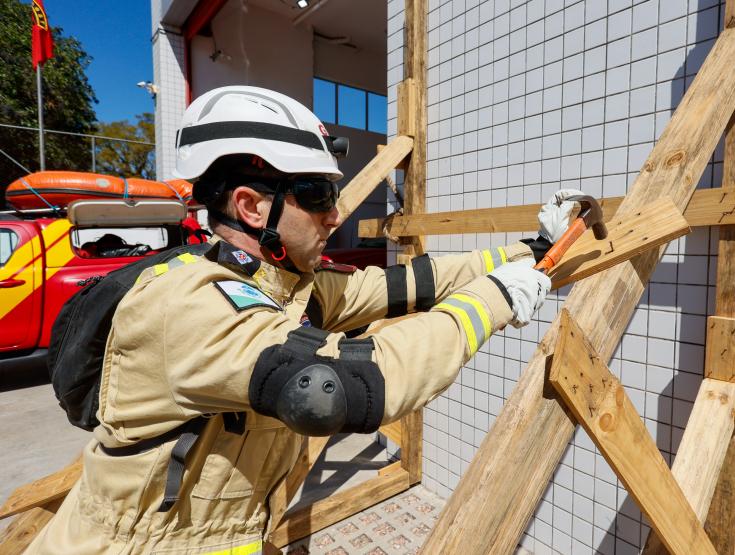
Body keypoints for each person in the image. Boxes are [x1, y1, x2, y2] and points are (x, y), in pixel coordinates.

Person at [28, 85, 582, 554]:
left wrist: (528, 253)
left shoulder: (281, 283)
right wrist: (494, 301)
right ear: (250, 206)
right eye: (318, 194)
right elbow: (340, 388)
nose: (335, 213)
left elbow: (404, 284)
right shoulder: (189, 306)